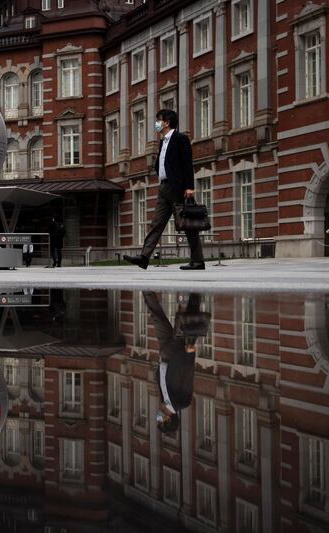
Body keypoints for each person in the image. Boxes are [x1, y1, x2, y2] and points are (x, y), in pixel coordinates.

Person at [124, 110, 205, 271]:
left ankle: (198, 261)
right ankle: (144, 257)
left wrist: (189, 187)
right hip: (164, 188)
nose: (156, 124)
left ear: (166, 122)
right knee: (157, 223)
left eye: (158, 120)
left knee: (187, 224)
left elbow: (187, 164)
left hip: (178, 188)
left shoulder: (180, 139)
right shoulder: (163, 141)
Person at [143, 291, 207, 434]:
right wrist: (190, 355)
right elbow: (187, 378)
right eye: (159, 420)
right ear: (168, 419)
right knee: (183, 317)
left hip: (165, 352)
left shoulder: (164, 399)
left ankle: (146, 290)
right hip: (177, 353)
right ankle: (194, 290)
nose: (157, 417)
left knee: (157, 317)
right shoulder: (182, 402)